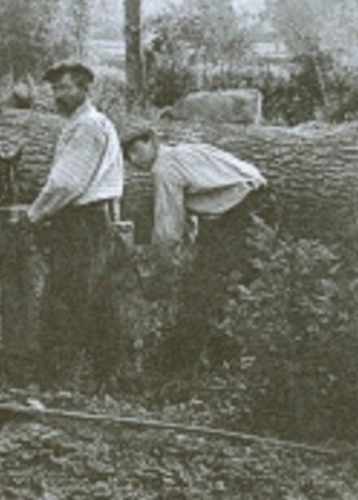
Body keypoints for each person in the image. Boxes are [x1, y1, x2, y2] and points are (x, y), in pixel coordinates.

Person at [121, 126, 269, 370]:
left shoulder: (164, 168)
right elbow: (188, 218)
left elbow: (168, 232)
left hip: (242, 210)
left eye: (136, 150)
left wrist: (161, 274)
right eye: (128, 156)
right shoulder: (184, 152)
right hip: (252, 202)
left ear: (152, 141)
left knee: (205, 289)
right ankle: (221, 359)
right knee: (227, 285)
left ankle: (177, 367)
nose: (134, 160)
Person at [21, 60, 126, 386]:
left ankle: (59, 380)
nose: (59, 94)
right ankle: (102, 377)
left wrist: (32, 215)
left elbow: (66, 183)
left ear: (84, 89)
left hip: (83, 222)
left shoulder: (89, 126)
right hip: (93, 220)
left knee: (66, 299)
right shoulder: (88, 124)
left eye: (66, 87)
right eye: (55, 89)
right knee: (94, 298)